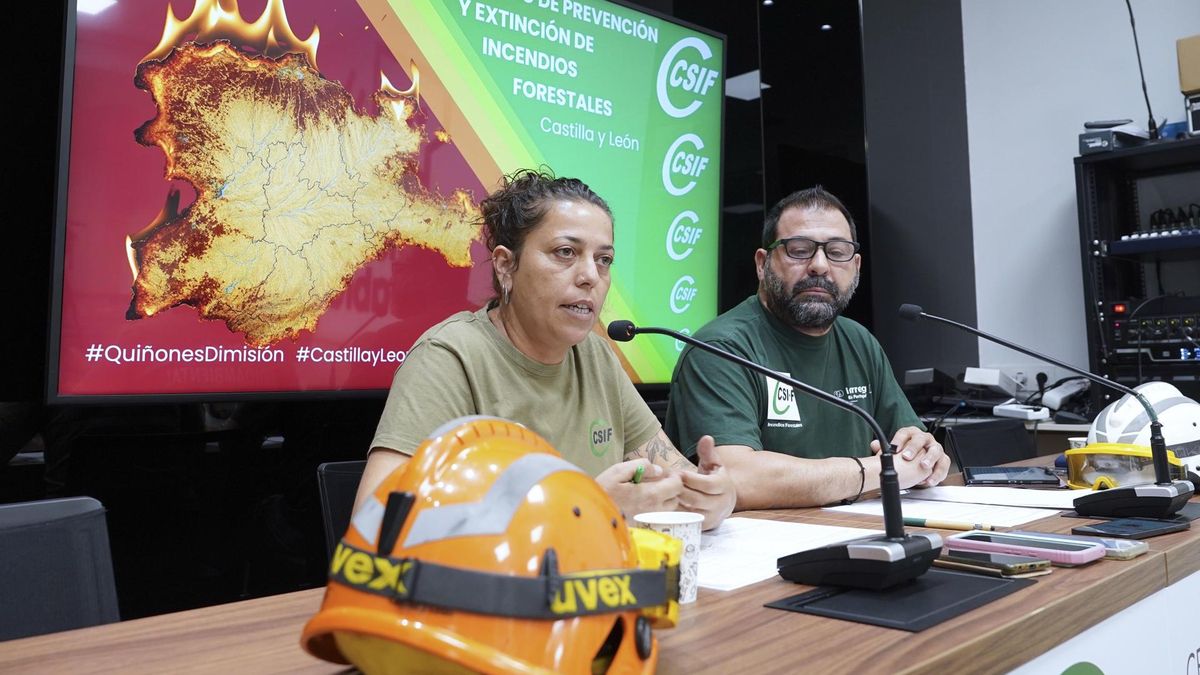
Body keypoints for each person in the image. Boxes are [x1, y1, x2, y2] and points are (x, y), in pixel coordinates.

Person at [356, 169, 735, 530]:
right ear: (506, 265)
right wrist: (585, 511)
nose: (591, 276)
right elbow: (374, 524)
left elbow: (676, 479)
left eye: (604, 260)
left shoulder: (596, 357)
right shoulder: (450, 358)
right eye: (566, 252)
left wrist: (713, 496)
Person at [665, 186, 950, 509]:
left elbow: (911, 446)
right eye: (799, 250)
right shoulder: (720, 348)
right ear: (763, 264)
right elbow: (735, 478)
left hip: (856, 535)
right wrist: (877, 470)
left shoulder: (860, 341)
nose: (819, 265)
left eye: (837, 252)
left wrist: (928, 457)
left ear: (856, 266)